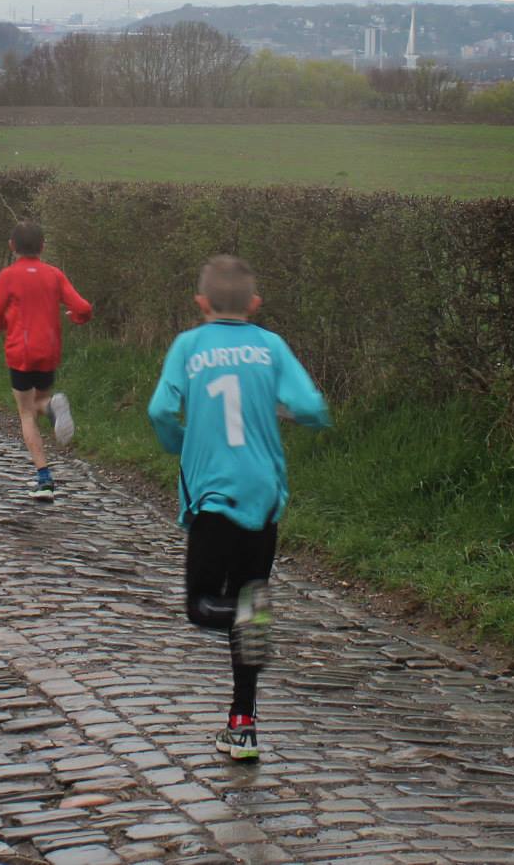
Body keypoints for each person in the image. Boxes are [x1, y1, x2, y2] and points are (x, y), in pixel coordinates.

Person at [147, 255, 329, 762]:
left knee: (203, 604)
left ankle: (246, 617)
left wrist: (177, 441)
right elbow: (311, 407)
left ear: (201, 302)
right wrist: (296, 416)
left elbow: (160, 409)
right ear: (255, 304)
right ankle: (242, 723)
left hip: (212, 494)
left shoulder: (189, 346)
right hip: (263, 495)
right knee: (251, 599)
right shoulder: (270, 346)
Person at [0, 220, 92, 501]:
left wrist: (4, 324)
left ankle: (44, 479)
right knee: (40, 399)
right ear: (43, 246)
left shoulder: (8, 276)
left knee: (26, 413)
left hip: (20, 352)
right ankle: (53, 407)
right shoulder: (54, 274)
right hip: (49, 351)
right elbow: (83, 307)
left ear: (12, 246)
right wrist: (77, 318)